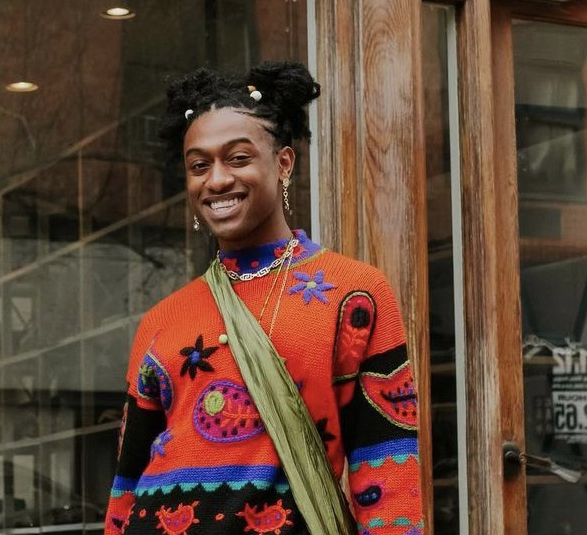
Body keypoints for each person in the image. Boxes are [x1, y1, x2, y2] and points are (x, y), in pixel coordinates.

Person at [104, 62, 423, 535]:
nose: (216, 181)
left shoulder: (353, 295)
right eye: (199, 165)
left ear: (283, 163)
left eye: (237, 158)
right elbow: (125, 487)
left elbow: (388, 469)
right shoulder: (161, 319)